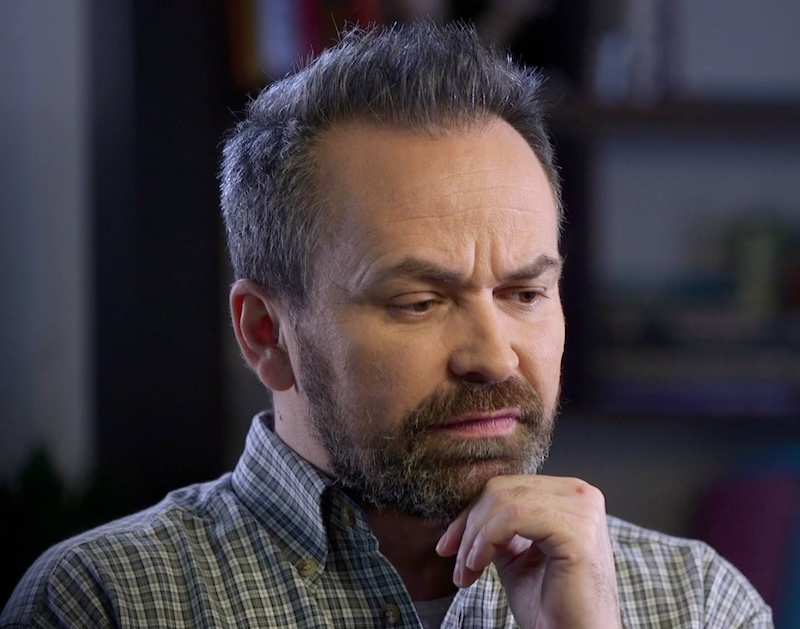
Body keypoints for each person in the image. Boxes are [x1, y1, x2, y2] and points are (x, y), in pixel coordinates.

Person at [2, 21, 771, 628]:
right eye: (419, 301)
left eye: (524, 292)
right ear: (266, 333)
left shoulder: (698, 601)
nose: (493, 355)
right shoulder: (105, 601)